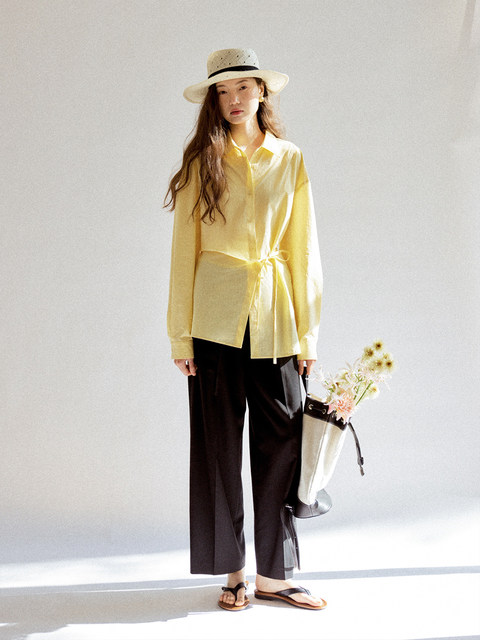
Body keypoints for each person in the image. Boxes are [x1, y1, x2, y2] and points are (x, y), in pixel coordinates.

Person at [165, 48, 325, 611]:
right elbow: (183, 253)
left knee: (283, 445)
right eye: (222, 92)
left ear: (262, 91)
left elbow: (303, 248)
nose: (233, 100)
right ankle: (233, 571)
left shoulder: (290, 158)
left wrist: (308, 334)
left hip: (277, 319)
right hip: (213, 322)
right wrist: (180, 336)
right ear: (214, 100)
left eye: (242, 88)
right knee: (218, 450)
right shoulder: (201, 162)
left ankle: (274, 576)